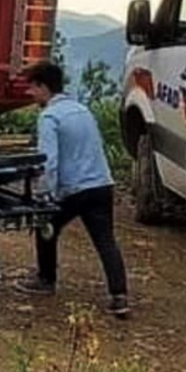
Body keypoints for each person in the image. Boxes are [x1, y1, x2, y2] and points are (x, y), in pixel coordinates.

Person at [16, 60, 129, 316]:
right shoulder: (82, 110)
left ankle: (46, 279)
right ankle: (119, 295)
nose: (30, 94)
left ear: (43, 87)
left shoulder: (49, 117)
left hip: (73, 189)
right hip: (101, 184)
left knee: (46, 226)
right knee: (105, 240)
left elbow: (48, 161)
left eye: (32, 88)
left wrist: (44, 194)